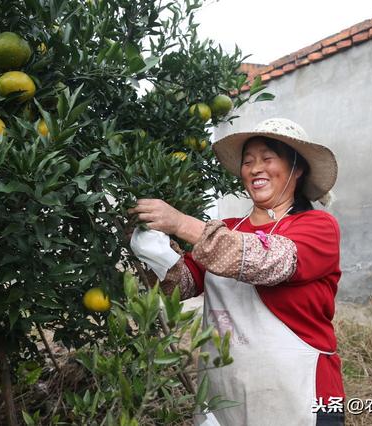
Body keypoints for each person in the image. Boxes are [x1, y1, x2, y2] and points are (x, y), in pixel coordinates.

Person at [128, 118, 344, 426]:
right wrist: (154, 250)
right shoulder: (228, 229)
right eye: (248, 162)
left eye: (268, 158)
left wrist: (180, 223)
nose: (256, 168)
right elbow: (183, 285)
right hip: (225, 390)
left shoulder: (318, 227)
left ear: (297, 169)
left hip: (302, 392)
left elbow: (267, 260)